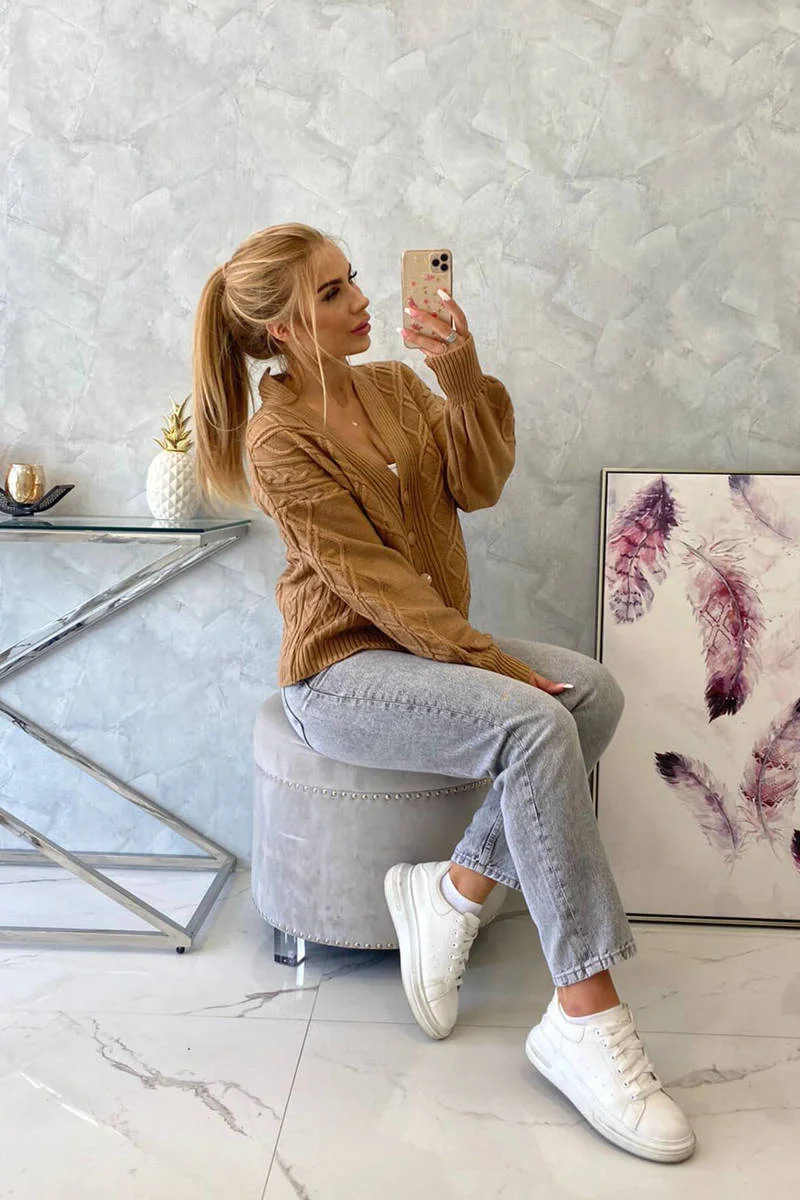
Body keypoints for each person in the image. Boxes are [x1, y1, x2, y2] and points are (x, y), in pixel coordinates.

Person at [191, 222, 696, 1164]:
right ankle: (585, 1016)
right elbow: (374, 585)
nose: (362, 301)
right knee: (537, 724)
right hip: (342, 670)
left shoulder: (392, 385)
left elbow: (479, 481)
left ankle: (452, 892)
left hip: (422, 648)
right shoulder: (277, 440)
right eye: (331, 293)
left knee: (592, 693)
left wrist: (461, 378)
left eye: (351, 278)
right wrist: (486, 662)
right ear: (284, 330)